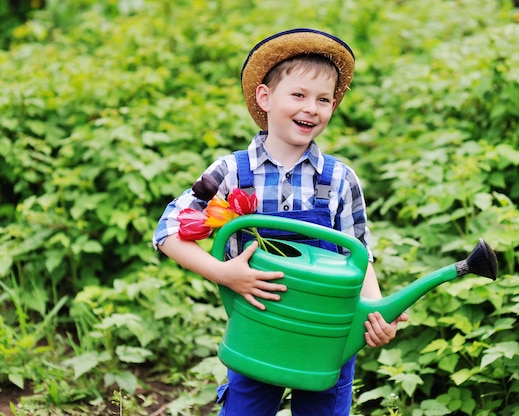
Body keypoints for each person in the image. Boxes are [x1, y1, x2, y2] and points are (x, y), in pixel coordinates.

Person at [153, 28, 408, 416]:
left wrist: (374, 314)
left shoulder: (339, 180)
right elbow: (168, 231)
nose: (312, 108)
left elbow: (359, 256)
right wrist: (224, 274)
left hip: (328, 338)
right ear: (265, 97)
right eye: (299, 95)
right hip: (258, 333)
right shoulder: (233, 173)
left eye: (324, 99)